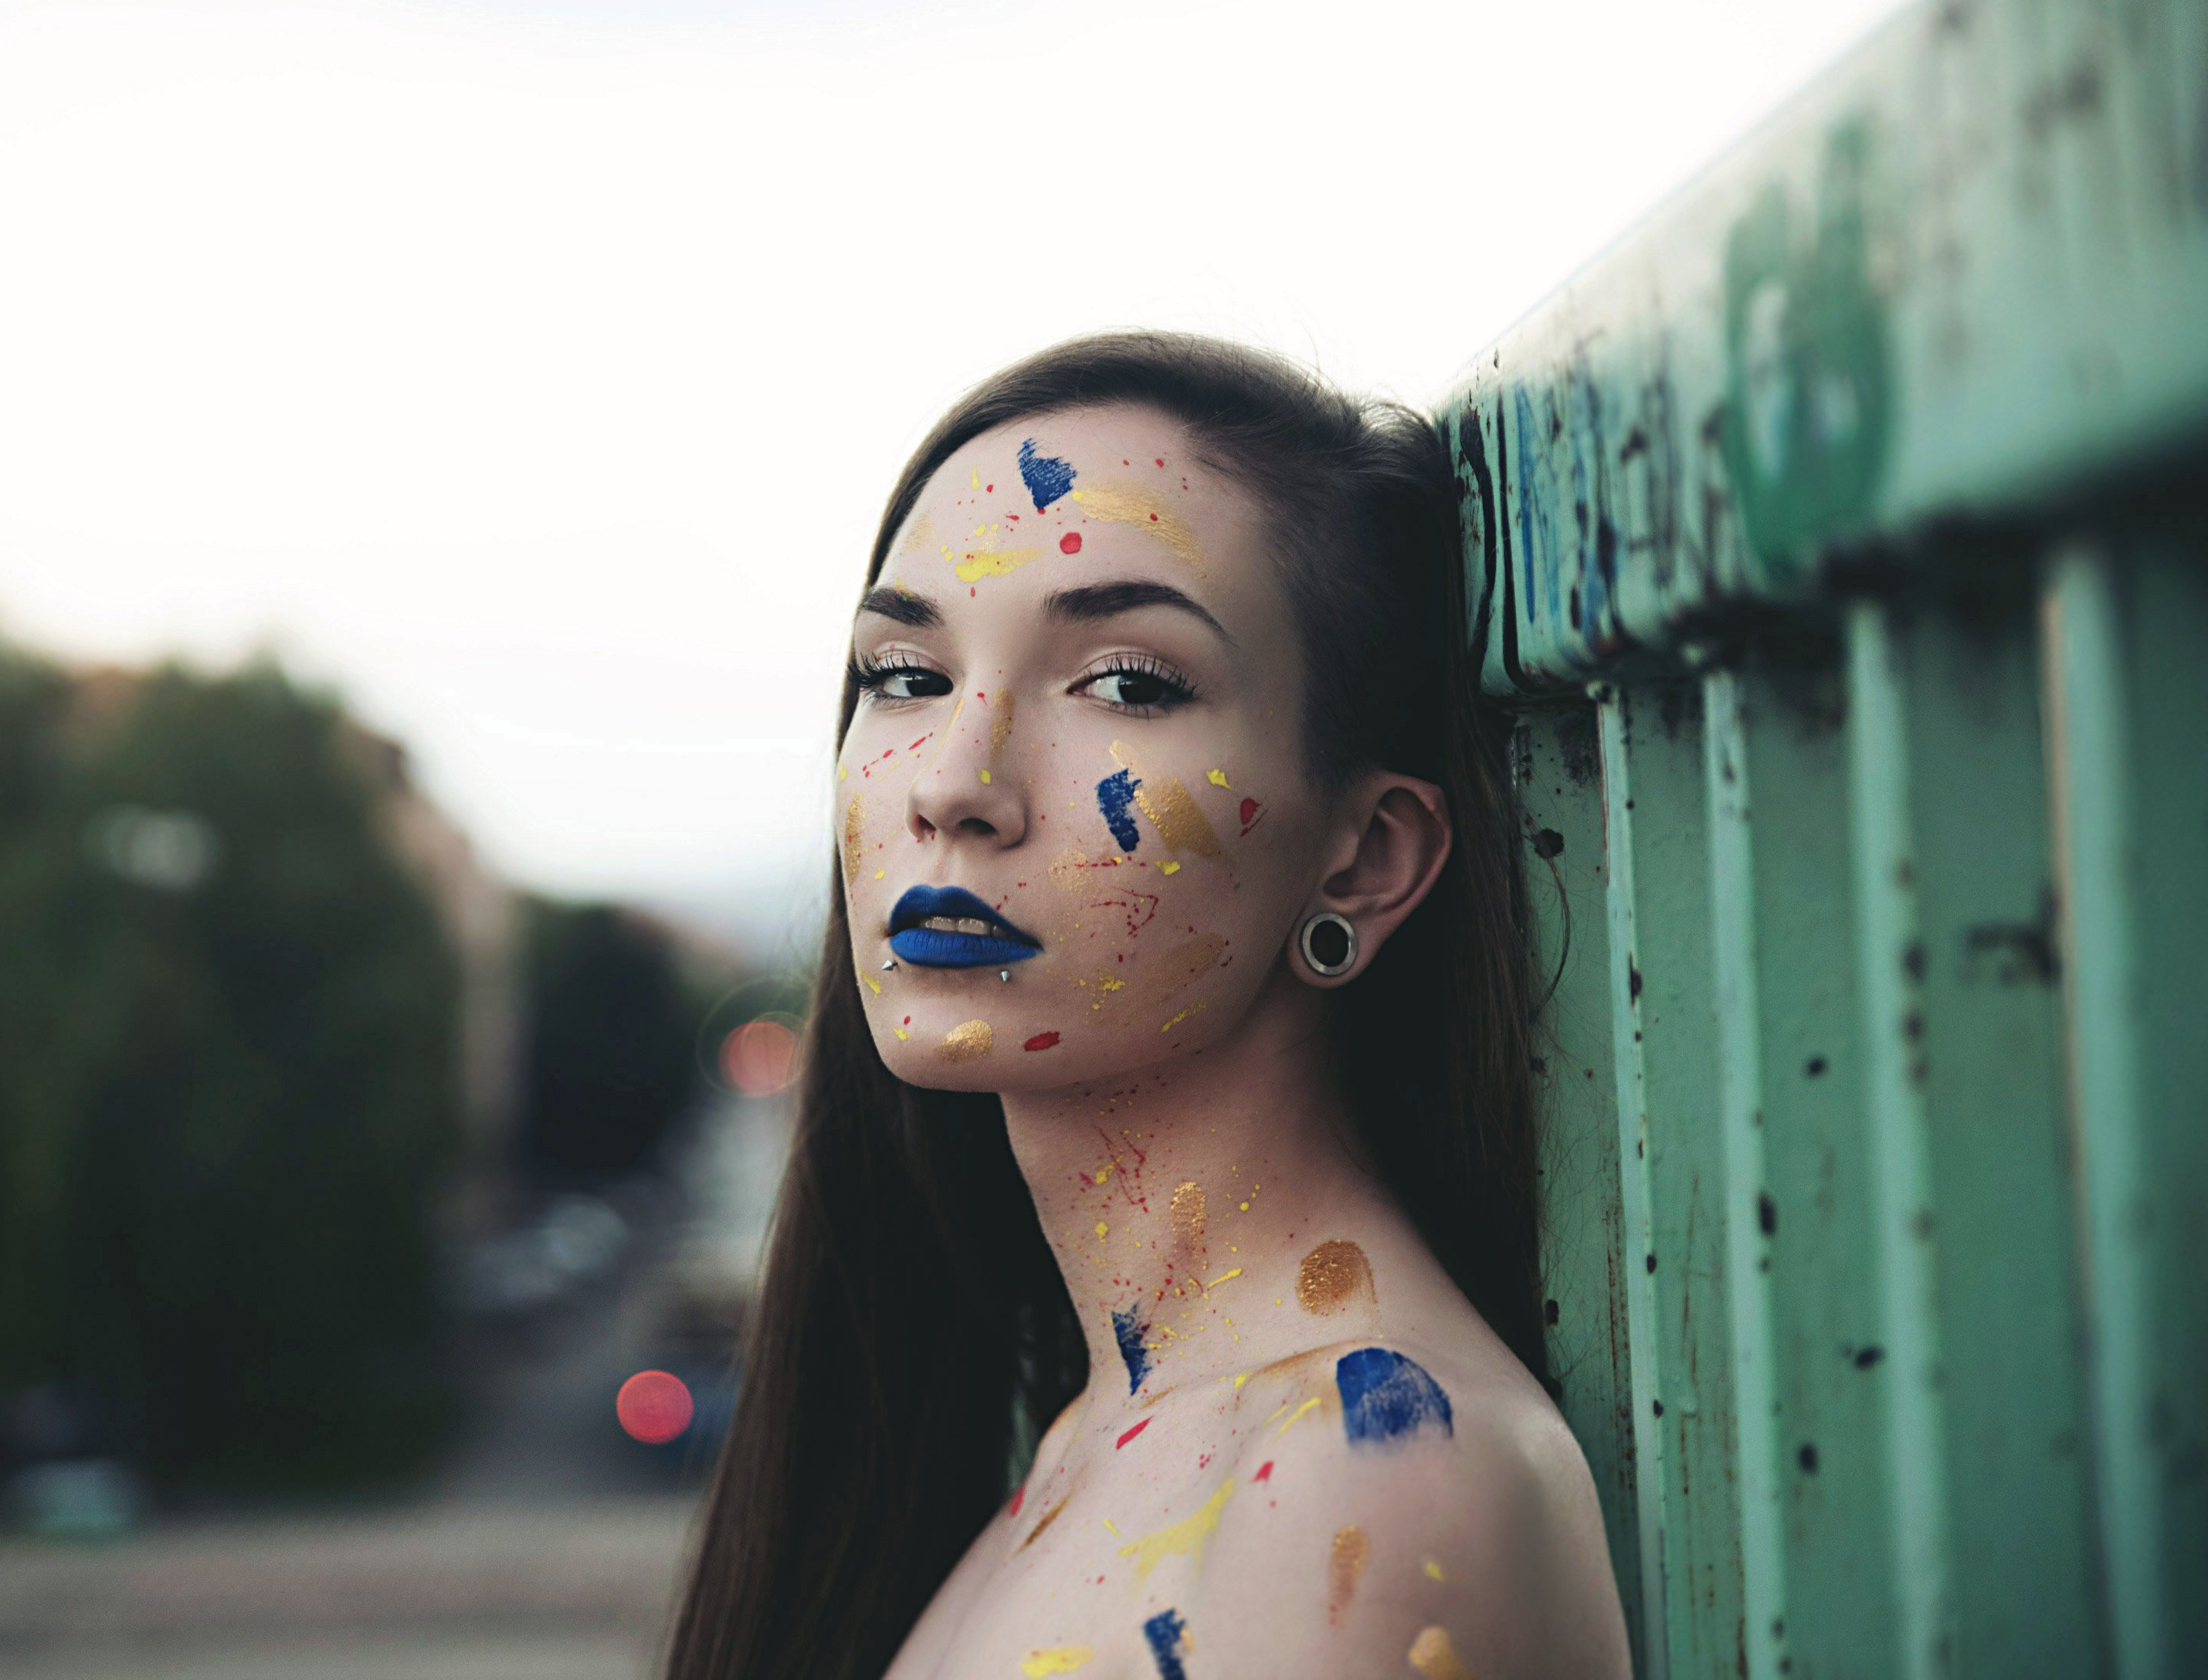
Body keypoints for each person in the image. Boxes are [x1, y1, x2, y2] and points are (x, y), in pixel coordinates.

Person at [666, 332, 1633, 1680]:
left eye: (1125, 681)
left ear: (1363, 856)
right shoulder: (1091, 1438)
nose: (954, 779)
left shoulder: (1362, 1475)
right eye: (906, 675)